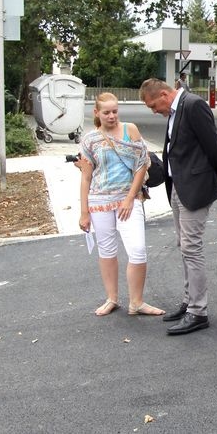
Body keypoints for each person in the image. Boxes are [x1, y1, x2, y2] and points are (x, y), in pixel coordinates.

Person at [138, 78, 217, 335]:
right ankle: (189, 302)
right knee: (184, 246)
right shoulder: (176, 110)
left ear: (164, 95)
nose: (154, 111)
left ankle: (198, 312)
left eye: (153, 106)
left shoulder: (193, 105)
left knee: (191, 247)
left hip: (195, 187)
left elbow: (214, 147)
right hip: (179, 185)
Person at [78, 92, 165, 318]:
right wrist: (84, 213)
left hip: (129, 199)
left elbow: (142, 165)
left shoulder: (130, 130)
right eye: (106, 112)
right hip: (99, 200)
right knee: (107, 249)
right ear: (96, 113)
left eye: (115, 111)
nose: (112, 116)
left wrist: (129, 198)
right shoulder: (89, 140)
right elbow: (86, 177)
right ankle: (112, 298)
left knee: (137, 249)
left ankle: (137, 302)